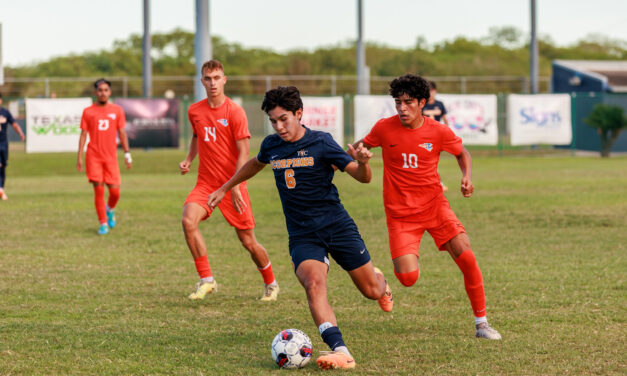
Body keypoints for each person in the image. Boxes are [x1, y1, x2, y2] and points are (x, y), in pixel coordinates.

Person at [208, 86, 394, 370]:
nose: (279, 126)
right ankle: (341, 350)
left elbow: (362, 177)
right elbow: (255, 164)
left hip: (337, 227)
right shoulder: (271, 145)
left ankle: (381, 283)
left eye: (284, 119)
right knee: (313, 285)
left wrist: (363, 163)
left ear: (299, 114)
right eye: (273, 121)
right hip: (302, 234)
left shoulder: (321, 142)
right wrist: (227, 187)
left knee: (371, 291)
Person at [353, 74, 502, 340]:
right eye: (398, 102)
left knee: (467, 257)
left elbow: (461, 152)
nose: (401, 108)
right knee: (408, 278)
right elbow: (358, 147)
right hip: (401, 216)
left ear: (423, 102)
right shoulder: (384, 128)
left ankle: (482, 324)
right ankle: (383, 283)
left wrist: (466, 176)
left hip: (436, 208)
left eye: (408, 102)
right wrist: (359, 155)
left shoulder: (438, 131)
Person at [179, 60, 279, 302]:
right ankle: (207, 280)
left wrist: (234, 186)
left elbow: (244, 153)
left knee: (248, 241)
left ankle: (271, 283)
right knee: (188, 221)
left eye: (216, 78)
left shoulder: (234, 111)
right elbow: (196, 136)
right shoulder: (195, 110)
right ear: (202, 81)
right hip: (206, 184)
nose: (212, 83)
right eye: (207, 78)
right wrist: (189, 159)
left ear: (224, 80)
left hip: (234, 184)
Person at [77, 79, 132, 235]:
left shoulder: (117, 110)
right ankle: (103, 223)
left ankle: (110, 209)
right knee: (99, 191)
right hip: (93, 156)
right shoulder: (88, 111)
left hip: (110, 157)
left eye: (105, 90)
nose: (103, 92)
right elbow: (83, 134)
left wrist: (127, 153)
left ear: (110, 92)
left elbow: (122, 133)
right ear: (95, 93)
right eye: (100, 90)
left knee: (115, 193)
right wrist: (79, 156)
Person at [423, 80, 449, 192]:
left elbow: (445, 120)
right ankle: (436, 183)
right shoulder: (422, 104)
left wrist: (446, 133)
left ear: (435, 91)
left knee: (430, 161)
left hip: (435, 136)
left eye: (431, 91)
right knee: (426, 161)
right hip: (424, 136)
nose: (430, 93)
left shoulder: (439, 104)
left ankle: (437, 183)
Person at [0, 94, 26, 201]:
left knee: (3, 167)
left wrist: (20, 133)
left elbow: (14, 124)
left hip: (4, 144)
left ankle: (1, 189)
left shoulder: (5, 113)